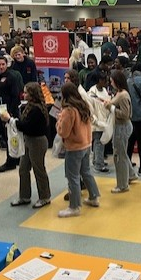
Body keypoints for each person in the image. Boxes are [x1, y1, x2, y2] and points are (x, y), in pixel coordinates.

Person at [2, 82, 51, 209]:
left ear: (33, 94)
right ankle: (24, 196)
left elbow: (26, 127)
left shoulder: (36, 110)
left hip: (37, 142)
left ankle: (45, 196)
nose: (24, 94)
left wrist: (10, 120)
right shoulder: (29, 106)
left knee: (39, 169)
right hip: (29, 141)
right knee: (23, 168)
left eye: (27, 92)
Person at [56, 82, 101, 218]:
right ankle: (94, 197)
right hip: (86, 144)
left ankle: (74, 206)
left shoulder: (68, 111)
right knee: (86, 172)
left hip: (74, 147)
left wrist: (58, 122)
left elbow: (64, 132)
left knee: (73, 177)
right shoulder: (83, 106)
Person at [105, 70, 137, 193]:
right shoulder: (119, 93)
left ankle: (122, 185)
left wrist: (110, 107)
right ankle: (130, 175)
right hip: (120, 126)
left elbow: (125, 114)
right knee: (122, 153)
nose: (110, 82)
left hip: (122, 127)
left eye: (112, 80)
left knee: (119, 156)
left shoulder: (123, 95)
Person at [0, 55, 24, 172]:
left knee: (12, 136)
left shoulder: (12, 77)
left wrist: (10, 113)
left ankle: (11, 161)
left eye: (3, 64)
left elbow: (15, 96)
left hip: (10, 112)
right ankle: (14, 158)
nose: (1, 67)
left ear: (7, 65)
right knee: (6, 137)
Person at [88, 72, 111, 173]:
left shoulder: (105, 90)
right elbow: (90, 107)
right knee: (99, 143)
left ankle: (97, 160)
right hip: (96, 121)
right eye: (104, 80)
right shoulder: (92, 92)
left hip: (104, 119)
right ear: (98, 81)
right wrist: (95, 120)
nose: (106, 82)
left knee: (99, 142)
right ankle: (99, 164)